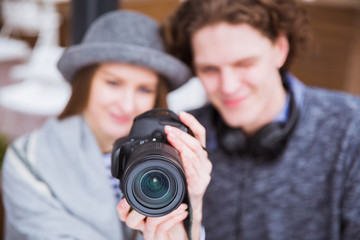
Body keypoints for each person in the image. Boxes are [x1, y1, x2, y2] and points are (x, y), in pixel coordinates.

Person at [1, 10, 211, 240]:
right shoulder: (29, 159)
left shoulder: (173, 163)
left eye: (144, 89)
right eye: (113, 82)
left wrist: (191, 213)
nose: (127, 104)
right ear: (85, 83)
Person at [162, 0, 360, 239]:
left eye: (244, 63)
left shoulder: (351, 127)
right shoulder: (180, 136)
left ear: (280, 49)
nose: (228, 86)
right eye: (209, 69)